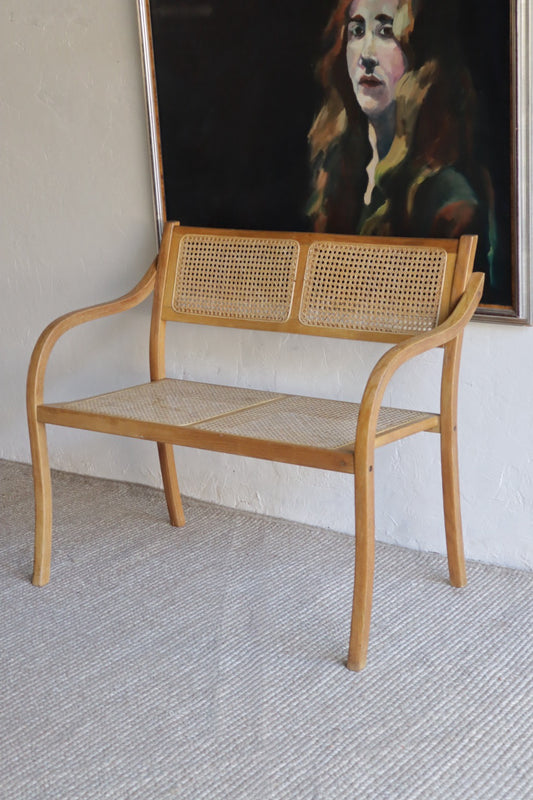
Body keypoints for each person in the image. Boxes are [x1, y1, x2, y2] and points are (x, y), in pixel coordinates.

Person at [307, 0, 496, 286]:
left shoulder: (448, 200)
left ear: (422, 58)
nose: (366, 55)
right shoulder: (338, 167)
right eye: (357, 31)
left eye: (386, 31)